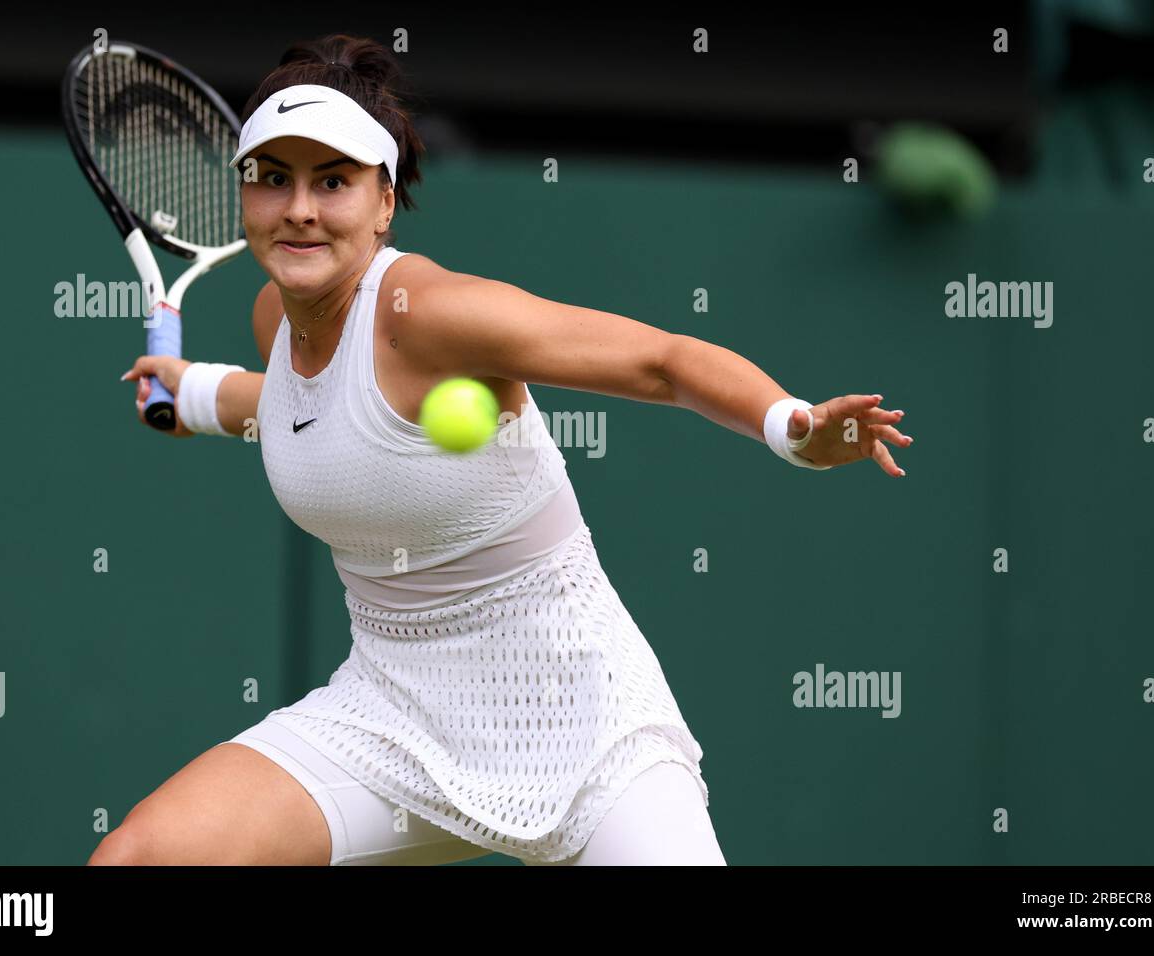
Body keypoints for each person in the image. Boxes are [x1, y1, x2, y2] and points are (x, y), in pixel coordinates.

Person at [94, 33, 912, 867]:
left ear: (383, 203)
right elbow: (291, 409)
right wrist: (188, 395)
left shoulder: (431, 313)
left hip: (585, 721)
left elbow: (662, 362)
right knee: (138, 858)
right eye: (273, 180)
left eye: (332, 182)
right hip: (388, 720)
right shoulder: (277, 317)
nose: (299, 207)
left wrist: (792, 428)